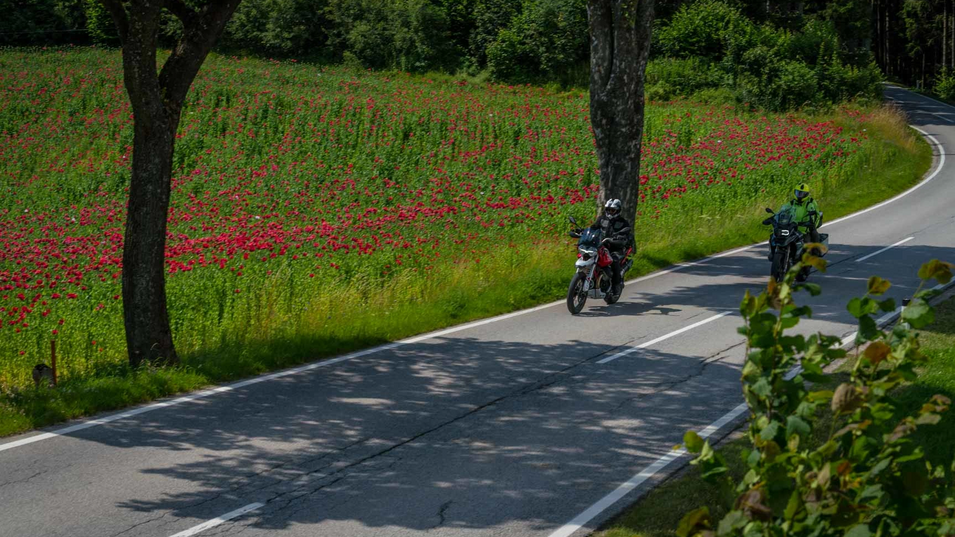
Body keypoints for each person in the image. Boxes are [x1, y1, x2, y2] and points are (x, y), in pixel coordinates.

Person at [590, 198, 634, 296]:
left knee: (614, 261)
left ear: (618, 210)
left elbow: (626, 234)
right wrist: (582, 232)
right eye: (608, 209)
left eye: (612, 210)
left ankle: (616, 285)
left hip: (616, 248)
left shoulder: (623, 222)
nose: (610, 212)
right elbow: (593, 228)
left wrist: (617, 238)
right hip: (601, 246)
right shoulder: (602, 219)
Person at [769, 183, 822, 260]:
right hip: (791, 227)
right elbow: (782, 210)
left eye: (802, 193)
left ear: (806, 194)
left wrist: (811, 223)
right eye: (798, 193)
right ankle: (773, 253)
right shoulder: (791, 203)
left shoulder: (810, 204)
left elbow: (815, 214)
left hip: (804, 229)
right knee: (774, 235)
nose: (799, 195)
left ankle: (816, 250)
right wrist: (775, 217)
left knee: (810, 238)